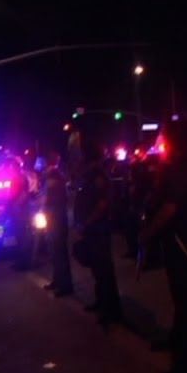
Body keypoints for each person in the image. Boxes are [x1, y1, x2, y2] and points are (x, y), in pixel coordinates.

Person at [139, 118, 187, 373]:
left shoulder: (181, 169)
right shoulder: (177, 166)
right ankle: (179, 340)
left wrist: (148, 232)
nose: (160, 142)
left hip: (182, 240)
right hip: (176, 239)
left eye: (163, 137)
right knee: (180, 294)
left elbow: (170, 207)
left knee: (184, 296)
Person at [73, 139, 122, 327]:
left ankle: (111, 310)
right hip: (91, 228)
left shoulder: (99, 176)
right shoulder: (88, 175)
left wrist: (86, 223)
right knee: (97, 269)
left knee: (104, 270)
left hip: (98, 228)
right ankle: (101, 302)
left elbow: (102, 204)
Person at [42, 151, 73, 296]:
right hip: (52, 218)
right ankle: (57, 280)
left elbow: (52, 198)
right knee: (54, 251)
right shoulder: (52, 175)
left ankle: (65, 285)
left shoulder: (55, 176)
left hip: (57, 218)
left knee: (59, 252)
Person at [10, 156, 39, 271]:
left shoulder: (20, 178)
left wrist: (17, 205)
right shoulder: (17, 177)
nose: (10, 168)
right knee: (19, 236)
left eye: (12, 166)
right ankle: (21, 261)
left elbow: (25, 193)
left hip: (21, 210)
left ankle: (24, 262)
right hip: (19, 209)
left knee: (23, 236)